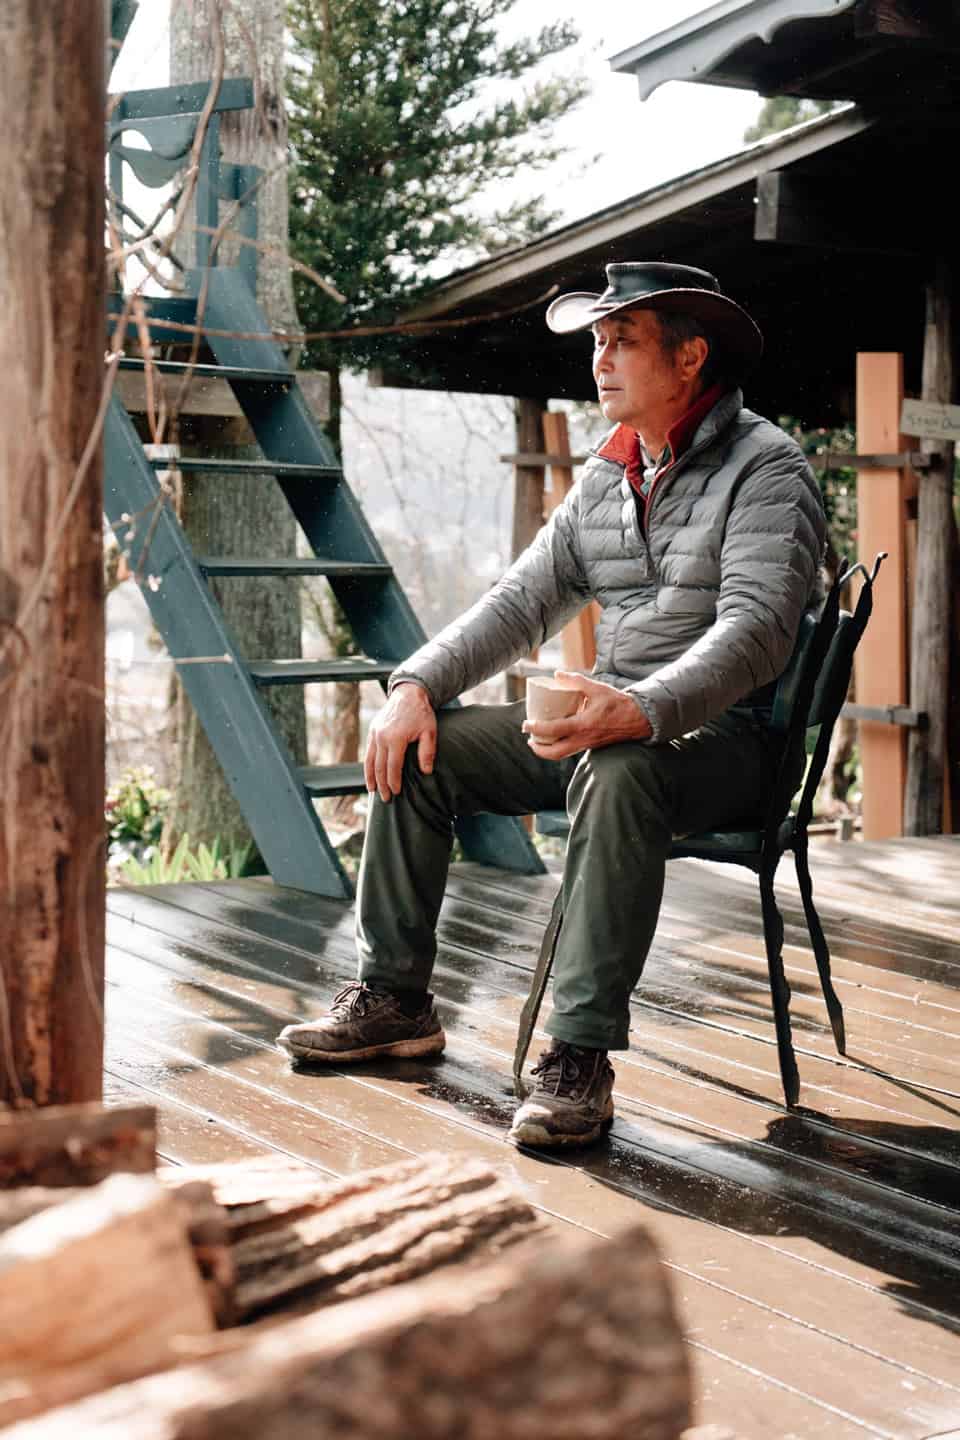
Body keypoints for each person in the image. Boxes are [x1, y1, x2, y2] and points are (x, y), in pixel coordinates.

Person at [278, 261, 826, 1148]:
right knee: (425, 749)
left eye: (623, 342)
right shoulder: (609, 476)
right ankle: (394, 999)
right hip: (614, 728)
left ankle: (576, 1056)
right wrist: (413, 684)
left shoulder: (768, 469)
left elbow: (758, 631)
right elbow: (518, 602)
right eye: (598, 342)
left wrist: (642, 708)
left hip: (730, 744)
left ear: (690, 358)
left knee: (619, 770)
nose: (600, 360)